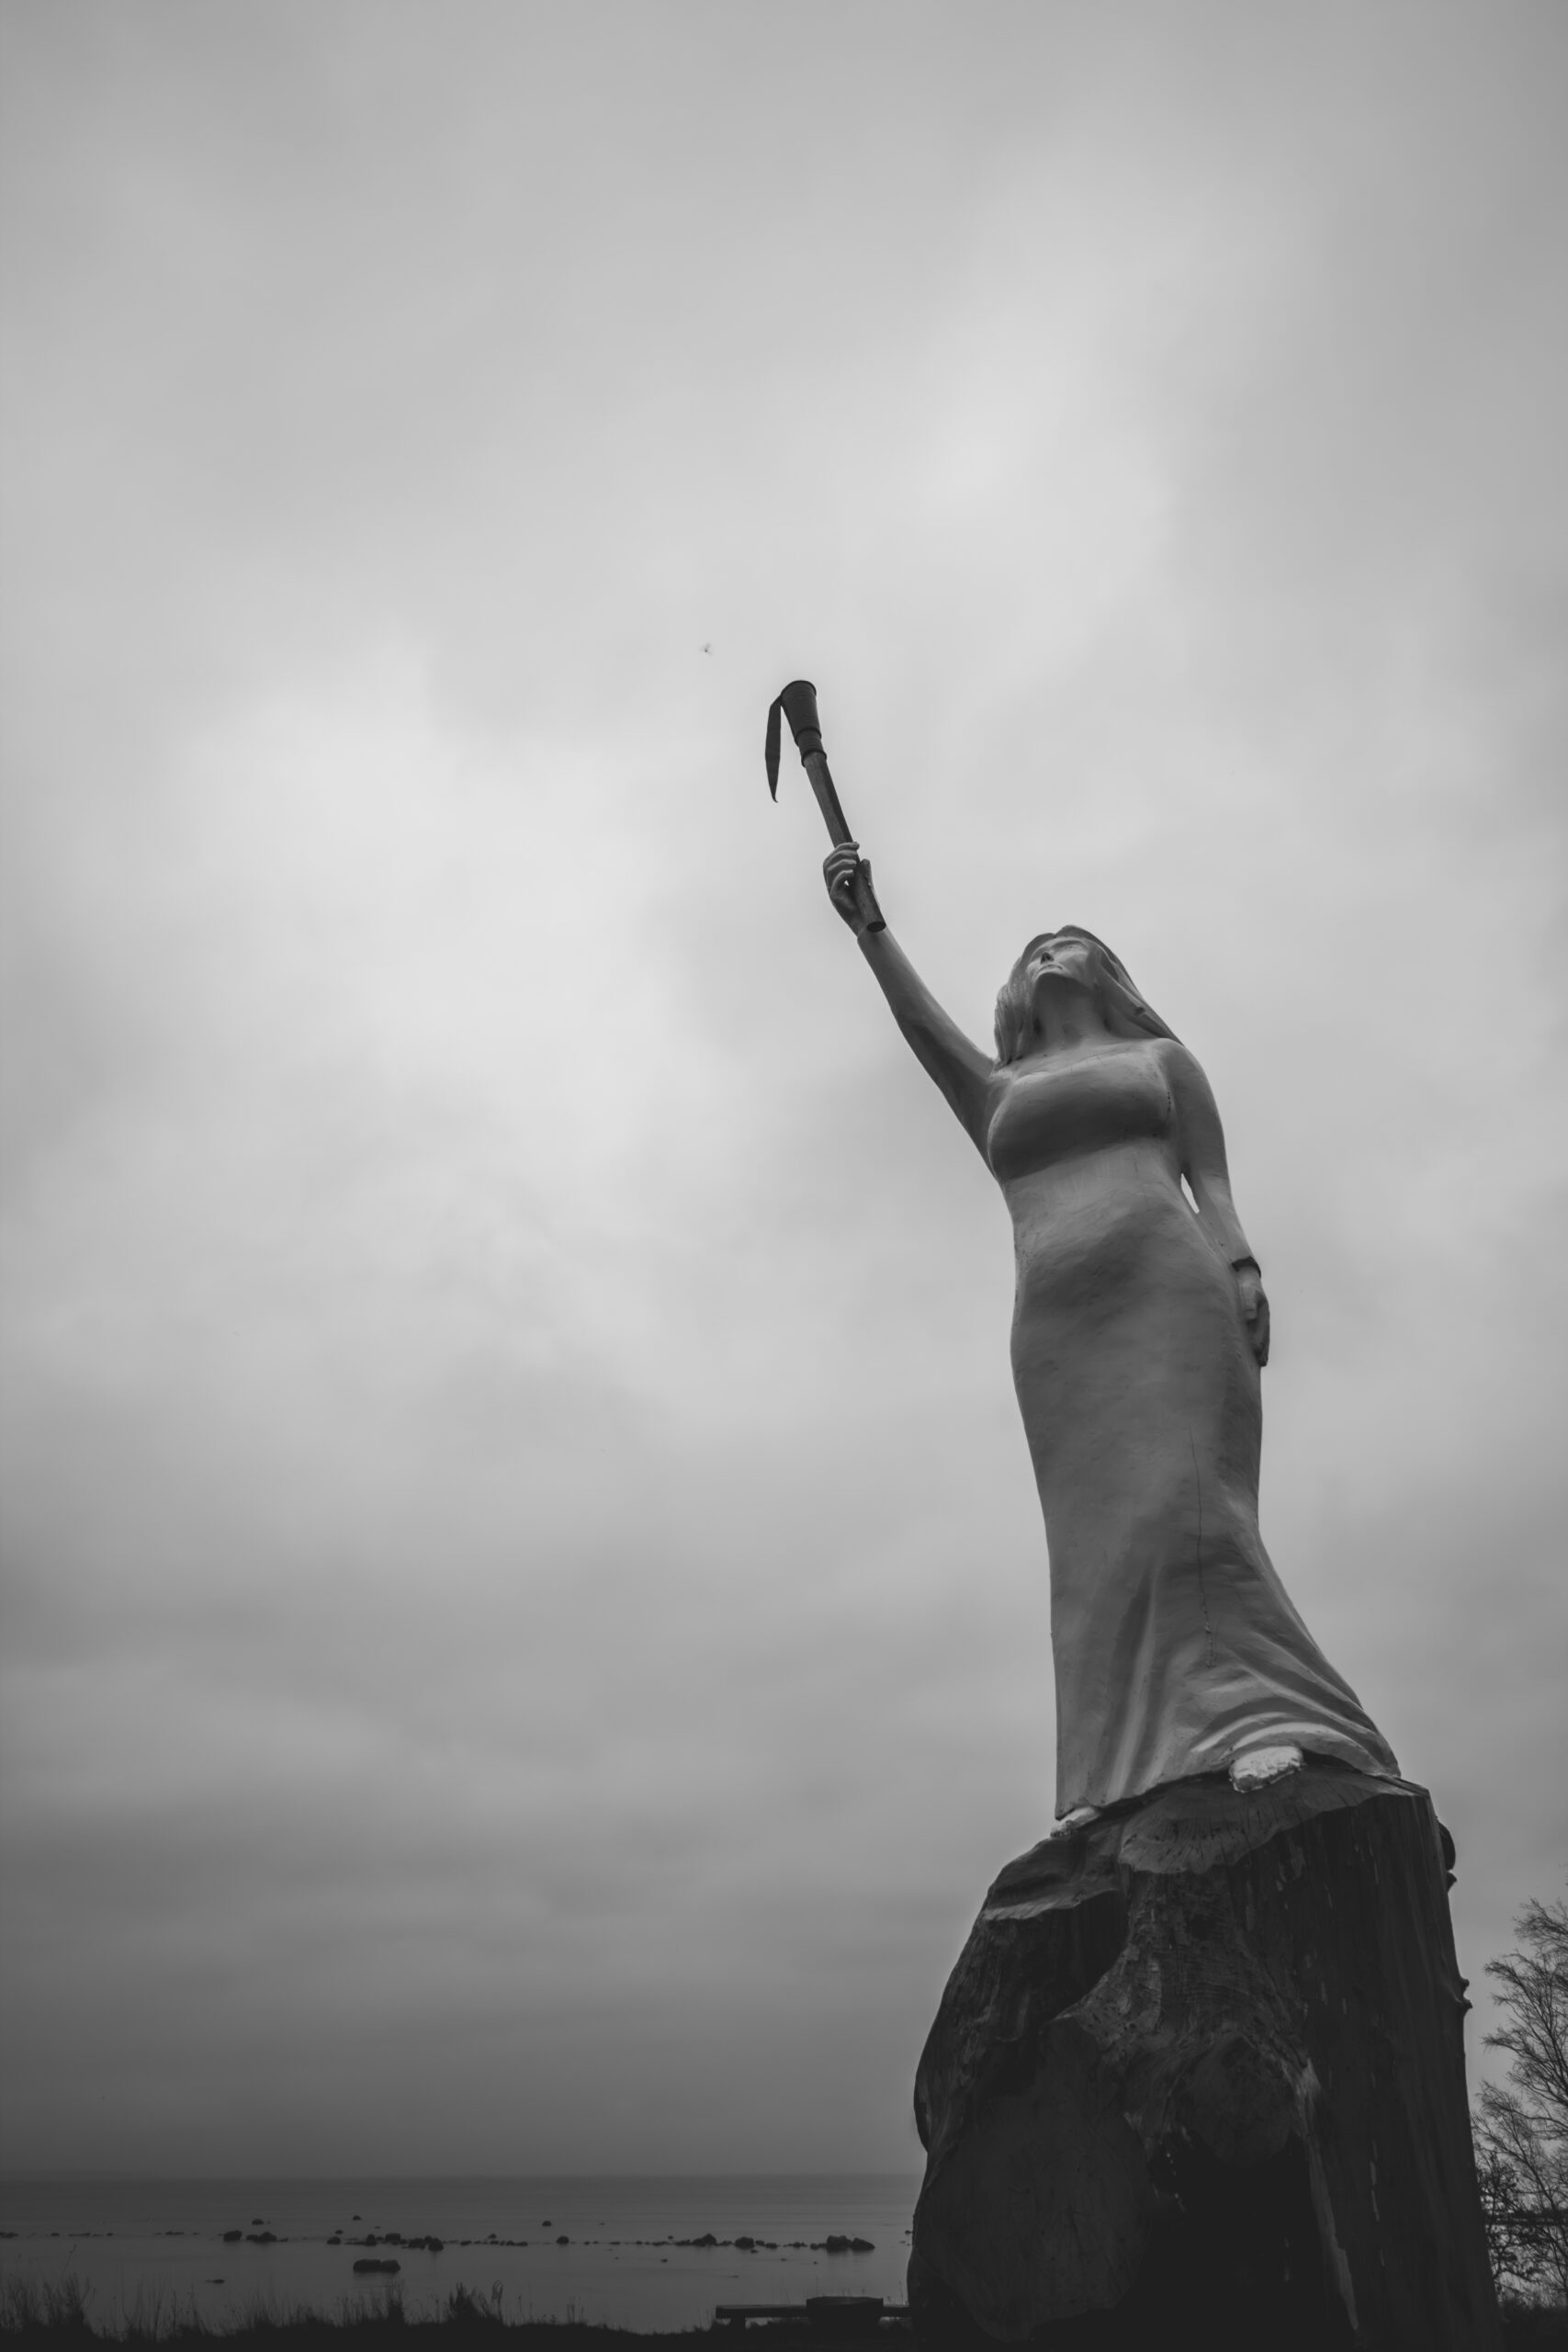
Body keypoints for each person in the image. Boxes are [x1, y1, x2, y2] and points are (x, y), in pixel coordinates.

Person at [823, 842, 1398, 1822]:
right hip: (1055, 1328)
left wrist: (1245, 1266)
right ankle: (1108, 1770)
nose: (1050, 949)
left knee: (1187, 1501)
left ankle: (1262, 1718)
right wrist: (869, 928)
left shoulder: (1159, 1061)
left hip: (1169, 1293)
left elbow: (1211, 1180)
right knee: (1091, 1546)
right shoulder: (996, 1090)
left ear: (1109, 974)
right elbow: (922, 1033)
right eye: (1034, 947)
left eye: (1071, 941)